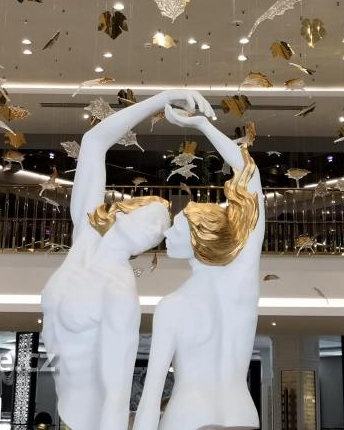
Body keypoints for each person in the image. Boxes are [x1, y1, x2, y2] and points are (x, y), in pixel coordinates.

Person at [41, 90, 215, 430]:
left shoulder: (119, 290)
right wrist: (163, 98)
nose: (157, 232)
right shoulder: (85, 236)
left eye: (160, 232)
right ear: (121, 212)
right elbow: (93, 142)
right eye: (153, 219)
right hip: (67, 408)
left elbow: (117, 390)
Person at [133, 105, 264, 430]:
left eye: (176, 227)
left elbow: (151, 397)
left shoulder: (173, 305)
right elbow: (252, 178)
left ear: (197, 238)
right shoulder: (242, 282)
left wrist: (202, 124)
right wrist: (203, 125)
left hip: (189, 414)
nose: (167, 233)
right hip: (242, 414)